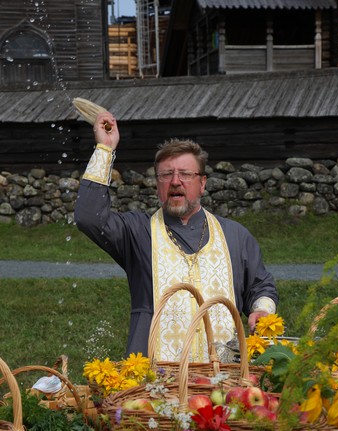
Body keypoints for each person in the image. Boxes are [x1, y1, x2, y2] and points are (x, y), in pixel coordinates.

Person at [75, 111, 279, 362]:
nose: (175, 181)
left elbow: (261, 286)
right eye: (166, 175)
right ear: (157, 185)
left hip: (224, 376)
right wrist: (105, 149)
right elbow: (89, 217)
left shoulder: (235, 236)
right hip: (154, 376)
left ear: (202, 183)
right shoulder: (137, 232)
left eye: (185, 174)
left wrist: (262, 310)